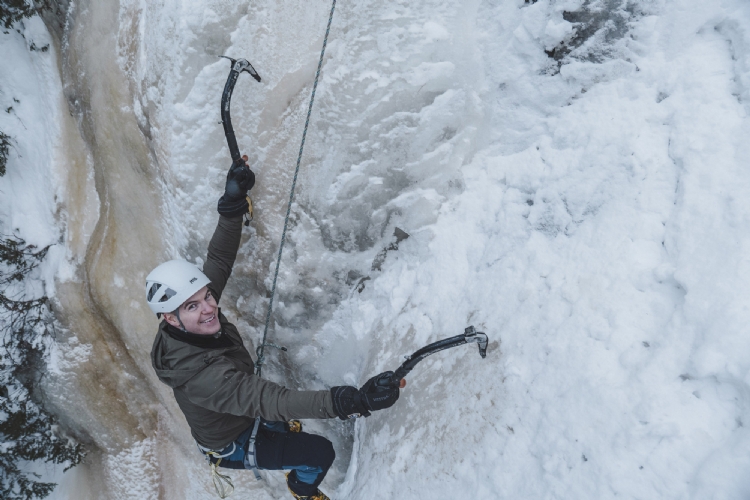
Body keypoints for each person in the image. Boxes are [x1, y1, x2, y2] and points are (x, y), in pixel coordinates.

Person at [147, 159, 401, 500]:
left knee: (283, 423)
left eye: (206, 296)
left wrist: (232, 204)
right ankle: (301, 488)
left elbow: (219, 261)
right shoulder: (200, 376)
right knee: (319, 453)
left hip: (236, 413)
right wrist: (352, 401)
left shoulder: (190, 318)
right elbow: (271, 400)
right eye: (193, 306)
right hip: (231, 443)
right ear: (170, 318)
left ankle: (278, 435)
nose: (209, 307)